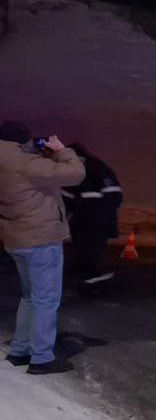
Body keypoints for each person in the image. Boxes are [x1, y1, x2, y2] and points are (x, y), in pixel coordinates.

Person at [0, 120, 85, 374]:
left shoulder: (11, 161)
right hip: (41, 240)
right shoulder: (28, 164)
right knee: (46, 300)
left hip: (16, 239)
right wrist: (60, 150)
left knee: (29, 297)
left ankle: (19, 351)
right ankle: (42, 358)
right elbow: (76, 174)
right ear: (22, 141)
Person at [65, 143, 123, 287]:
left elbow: (114, 197)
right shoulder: (79, 172)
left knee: (90, 250)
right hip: (85, 220)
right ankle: (84, 275)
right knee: (84, 249)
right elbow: (69, 197)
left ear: (80, 158)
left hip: (96, 221)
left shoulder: (99, 171)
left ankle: (89, 277)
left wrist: (88, 209)